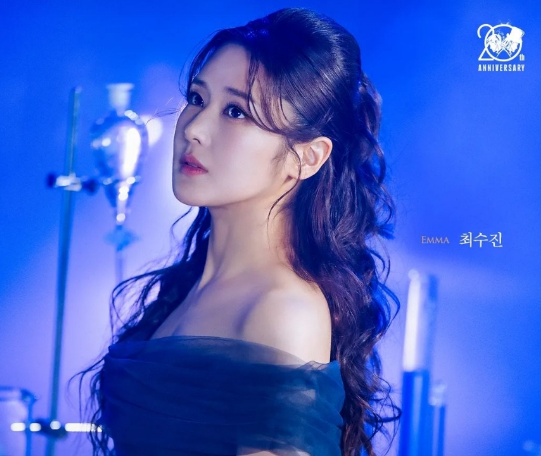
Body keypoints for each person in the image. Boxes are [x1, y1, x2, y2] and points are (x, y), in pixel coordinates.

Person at [78, 7, 400, 456]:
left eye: (235, 111)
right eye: (197, 98)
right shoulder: (189, 287)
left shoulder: (282, 310)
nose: (194, 128)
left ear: (306, 157)